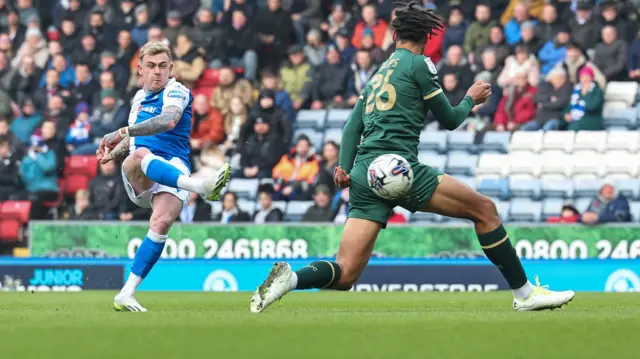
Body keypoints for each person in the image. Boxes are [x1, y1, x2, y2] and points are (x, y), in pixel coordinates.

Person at [250, 2, 574, 314]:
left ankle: (292, 279)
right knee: (485, 211)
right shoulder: (419, 64)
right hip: (397, 168)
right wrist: (469, 99)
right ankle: (525, 295)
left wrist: (343, 168)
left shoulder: (378, 73)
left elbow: (351, 128)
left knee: (346, 273)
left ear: (394, 36)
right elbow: (449, 120)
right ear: (427, 39)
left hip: (363, 174)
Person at [96, 41, 232, 312]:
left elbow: (168, 121)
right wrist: (112, 152)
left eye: (162, 67)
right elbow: (135, 141)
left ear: (171, 69)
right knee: (140, 153)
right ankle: (201, 187)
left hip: (173, 170)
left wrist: (122, 133)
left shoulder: (177, 91)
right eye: (150, 66)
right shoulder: (138, 99)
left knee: (161, 222)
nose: (157, 72)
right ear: (140, 70)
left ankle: (126, 292)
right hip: (139, 175)